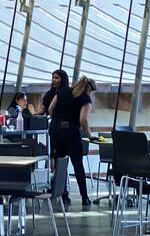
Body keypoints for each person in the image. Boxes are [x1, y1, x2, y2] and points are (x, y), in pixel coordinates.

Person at [49, 76, 97, 207]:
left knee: (60, 163)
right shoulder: (85, 99)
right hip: (70, 131)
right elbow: (83, 120)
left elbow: (50, 109)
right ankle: (84, 197)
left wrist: (59, 119)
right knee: (77, 164)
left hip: (55, 129)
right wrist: (90, 136)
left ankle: (63, 194)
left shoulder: (63, 91)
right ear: (89, 89)